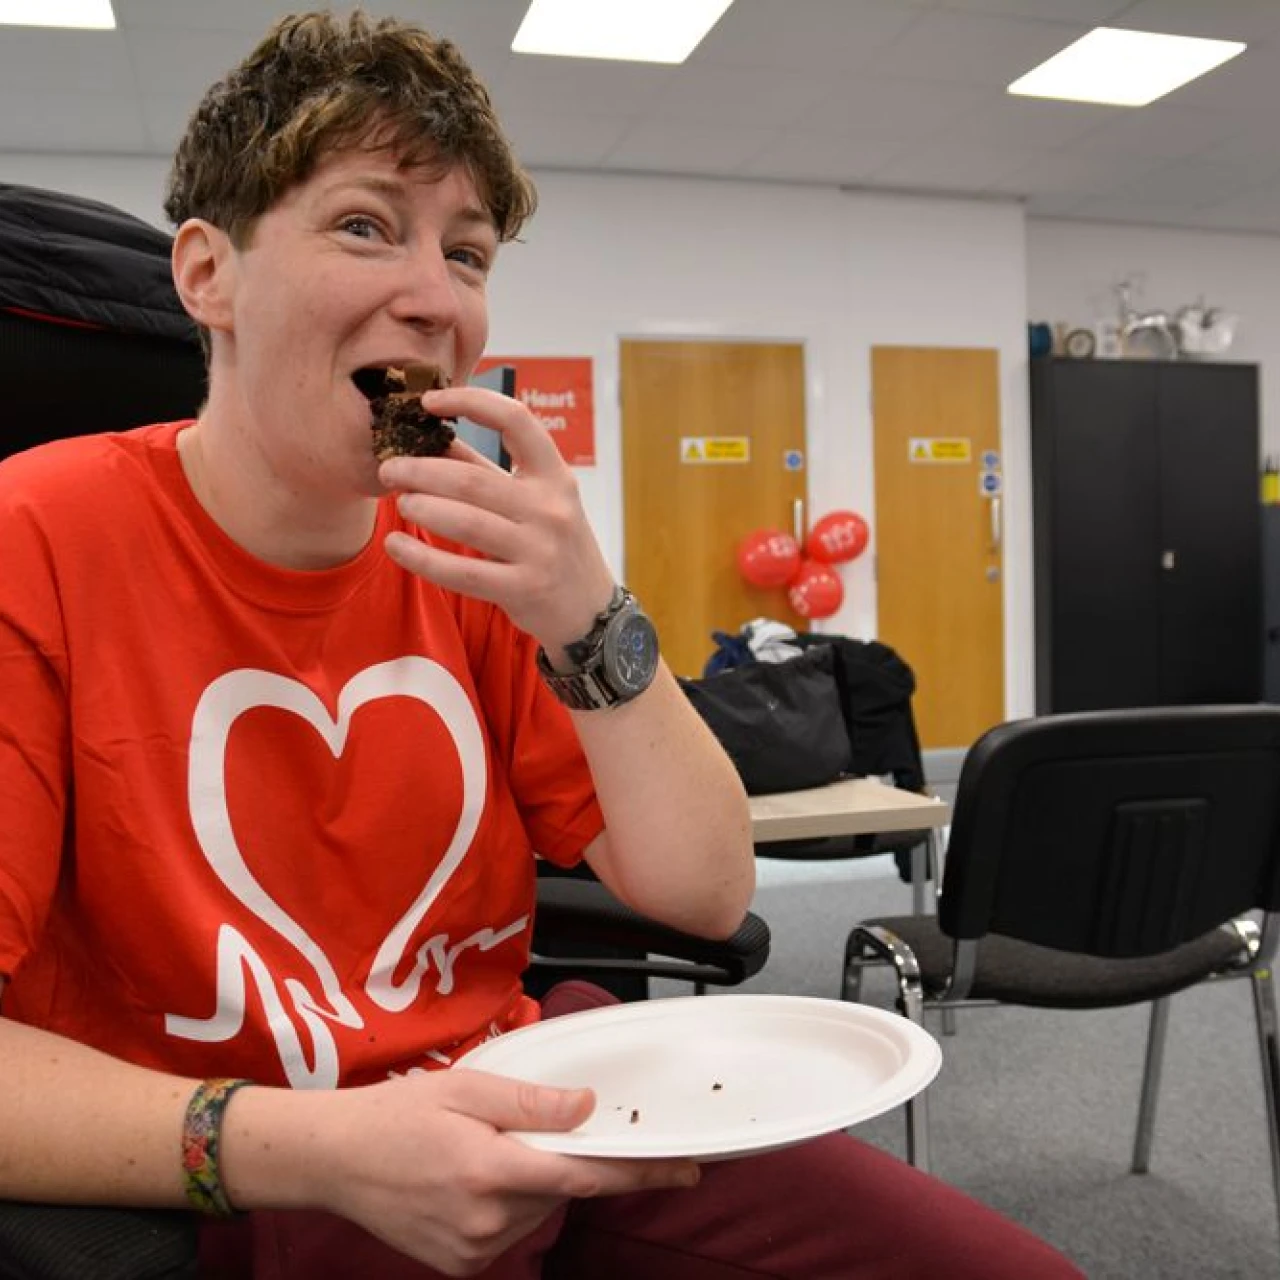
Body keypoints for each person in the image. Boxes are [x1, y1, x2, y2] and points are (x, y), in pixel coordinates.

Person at [0, 10, 1084, 1278]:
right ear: (207, 275)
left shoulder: (478, 553)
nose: (432, 297)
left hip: (542, 1100)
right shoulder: (37, 537)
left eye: (466, 254)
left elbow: (706, 896)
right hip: (258, 1177)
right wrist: (322, 1149)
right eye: (366, 226)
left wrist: (588, 615)